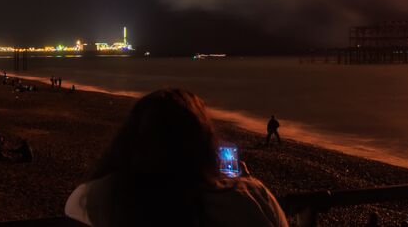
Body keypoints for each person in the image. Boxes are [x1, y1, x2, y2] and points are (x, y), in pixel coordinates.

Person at [65, 88, 286, 227]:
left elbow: (72, 206)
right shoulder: (252, 198)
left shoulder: (98, 197)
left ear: (132, 139)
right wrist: (244, 183)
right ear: (204, 143)